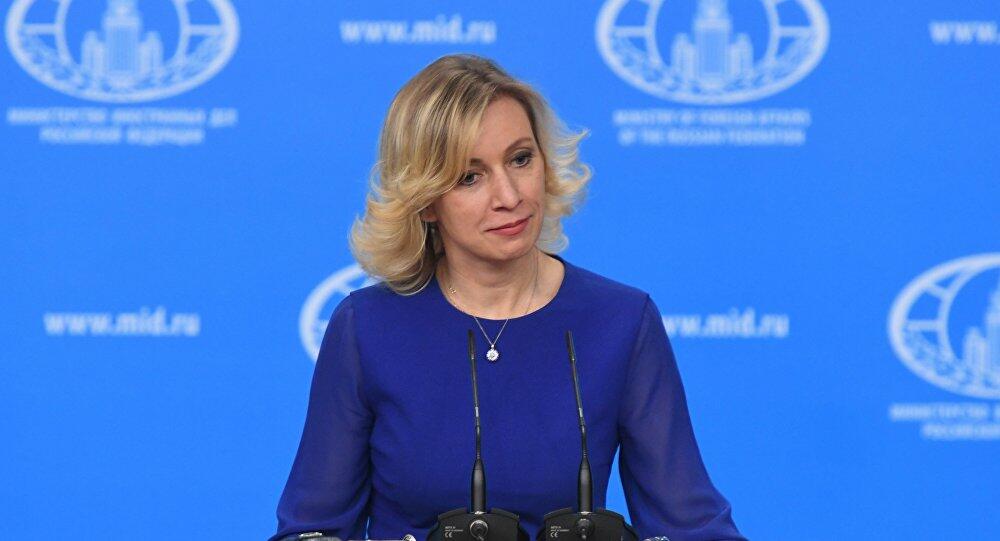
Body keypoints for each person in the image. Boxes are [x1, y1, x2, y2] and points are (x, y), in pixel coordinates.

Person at [270, 54, 745, 541]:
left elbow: (694, 528)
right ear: (425, 200)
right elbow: (312, 529)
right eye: (469, 176)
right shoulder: (367, 328)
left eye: (520, 159)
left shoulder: (620, 321)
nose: (510, 196)